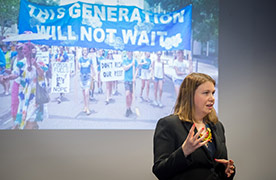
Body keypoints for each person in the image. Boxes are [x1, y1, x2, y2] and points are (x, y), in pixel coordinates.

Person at [152, 73, 235, 180]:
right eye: (206, 93)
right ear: (189, 95)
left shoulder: (217, 126)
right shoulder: (169, 124)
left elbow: (217, 166)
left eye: (213, 93)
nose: (212, 98)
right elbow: (160, 171)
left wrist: (227, 171)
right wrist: (184, 151)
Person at [78, 47, 94, 115]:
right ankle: (85, 106)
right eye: (83, 50)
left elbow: (92, 67)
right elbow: (78, 67)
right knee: (84, 93)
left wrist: (93, 74)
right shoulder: (80, 59)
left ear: (87, 51)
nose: (85, 51)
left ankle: (88, 108)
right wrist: (78, 62)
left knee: (87, 93)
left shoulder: (90, 59)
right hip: (82, 77)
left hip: (88, 76)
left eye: (86, 50)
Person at [122, 51, 138, 117]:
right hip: (127, 80)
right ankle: (127, 108)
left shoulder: (135, 60)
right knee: (127, 94)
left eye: (130, 51)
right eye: (128, 51)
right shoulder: (125, 59)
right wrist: (131, 64)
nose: (129, 53)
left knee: (131, 95)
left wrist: (135, 77)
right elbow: (125, 68)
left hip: (132, 80)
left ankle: (129, 107)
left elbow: (137, 69)